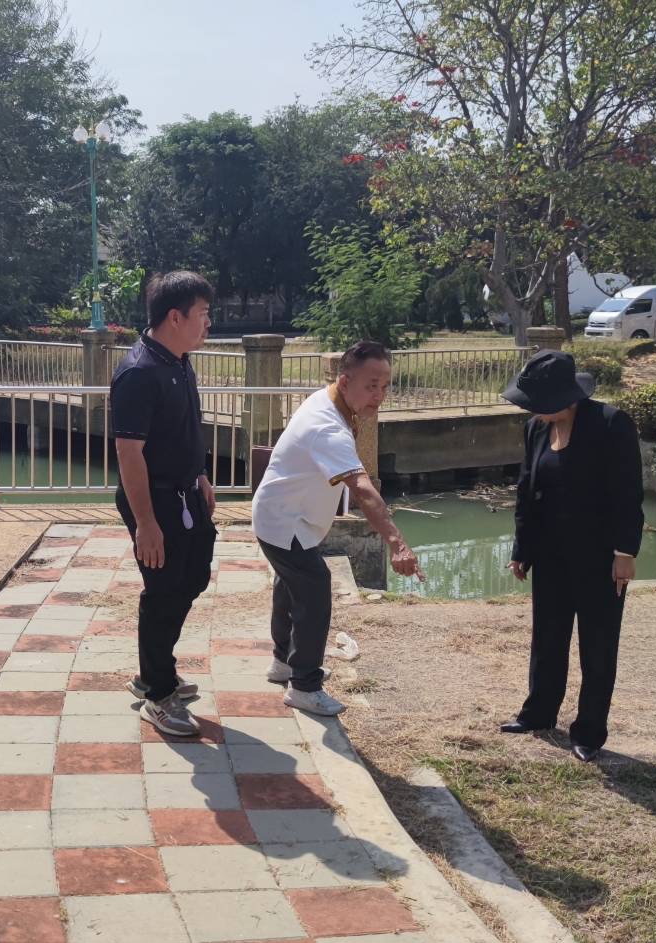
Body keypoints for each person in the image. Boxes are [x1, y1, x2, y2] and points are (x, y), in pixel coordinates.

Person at [250, 341, 422, 717]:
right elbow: (362, 489)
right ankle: (305, 686)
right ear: (345, 382)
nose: (379, 395)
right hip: (285, 521)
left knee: (291, 585)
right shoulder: (326, 425)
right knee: (314, 590)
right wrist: (398, 543)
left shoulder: (332, 402)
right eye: (371, 385)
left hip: (285, 516)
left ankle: (283, 662)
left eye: (385, 385)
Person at [500, 350, 643, 762]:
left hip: (600, 558)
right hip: (550, 555)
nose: (531, 412)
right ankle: (539, 713)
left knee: (597, 646)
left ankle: (588, 731)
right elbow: (526, 493)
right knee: (547, 638)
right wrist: (521, 549)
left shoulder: (611, 424)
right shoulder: (535, 430)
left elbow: (627, 494)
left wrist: (625, 552)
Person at [111, 271, 218, 738]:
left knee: (191, 577)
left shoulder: (178, 360)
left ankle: (156, 670)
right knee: (163, 591)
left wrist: (201, 475)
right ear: (175, 317)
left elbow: (185, 429)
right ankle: (156, 692)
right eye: (204, 315)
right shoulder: (139, 373)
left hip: (186, 492)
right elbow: (129, 455)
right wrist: (146, 524)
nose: (209, 324)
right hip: (154, 502)